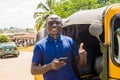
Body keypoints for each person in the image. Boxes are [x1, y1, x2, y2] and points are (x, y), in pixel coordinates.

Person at [31, 14, 87, 80]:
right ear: (46, 26)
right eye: (50, 23)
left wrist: (83, 57)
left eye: (57, 23)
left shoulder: (70, 41)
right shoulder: (39, 46)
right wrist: (50, 66)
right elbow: (33, 70)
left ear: (62, 25)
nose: (54, 25)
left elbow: (82, 65)